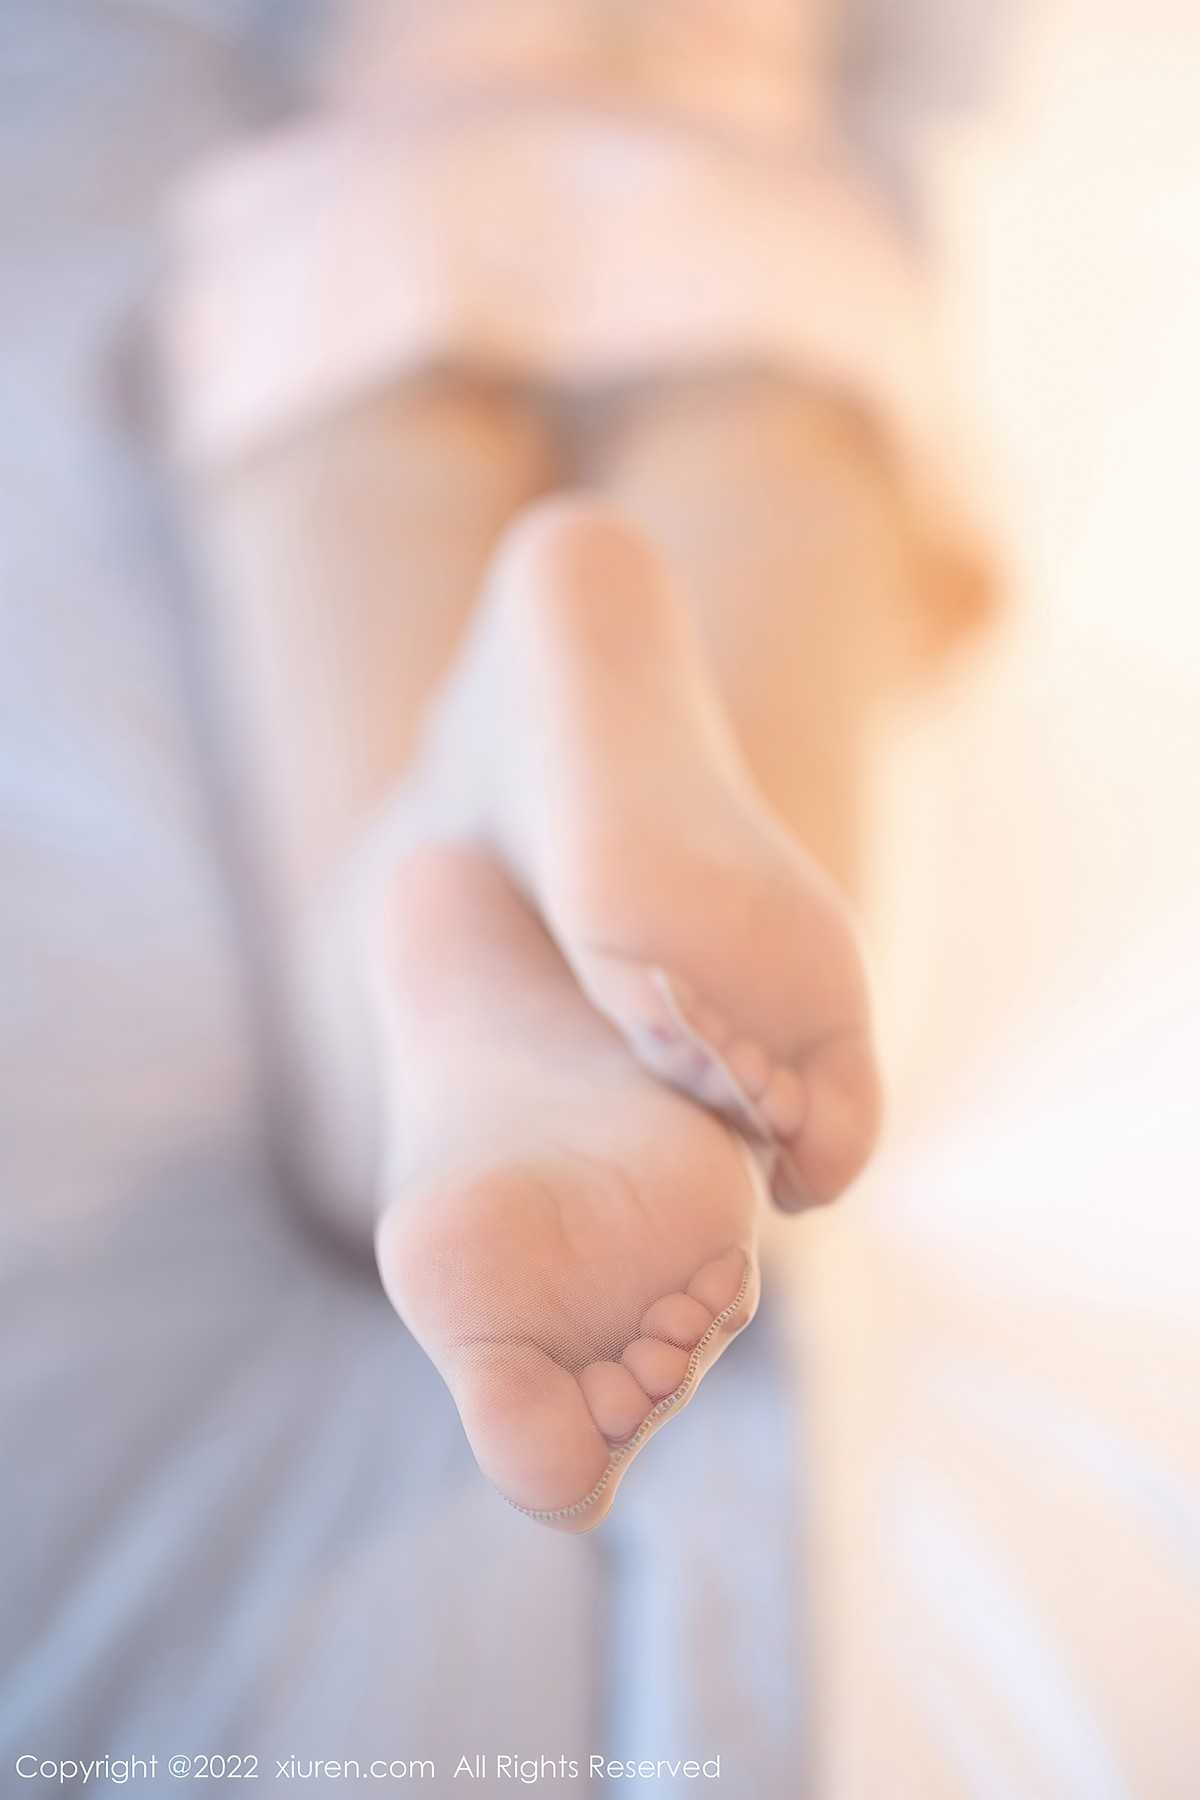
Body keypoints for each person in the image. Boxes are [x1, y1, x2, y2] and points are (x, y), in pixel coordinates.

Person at [160, 0, 992, 1527]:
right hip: (759, 230)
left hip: (372, 208)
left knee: (379, 1048)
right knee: (772, 1088)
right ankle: (539, 873)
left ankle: (468, 903)